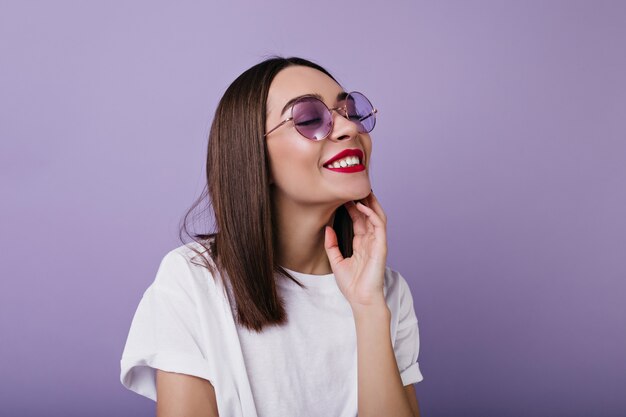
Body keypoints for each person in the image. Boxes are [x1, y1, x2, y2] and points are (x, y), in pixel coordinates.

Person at [120, 56, 423, 417]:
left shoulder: (386, 291)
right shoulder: (192, 280)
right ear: (255, 157)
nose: (348, 128)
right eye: (311, 119)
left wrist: (369, 308)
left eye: (350, 111)